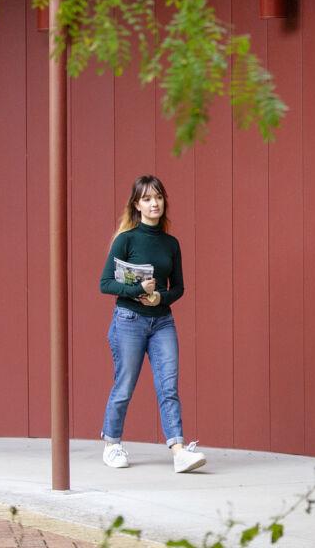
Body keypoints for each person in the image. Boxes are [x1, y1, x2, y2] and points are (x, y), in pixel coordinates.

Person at [99, 174, 206, 473]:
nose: (154, 203)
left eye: (157, 197)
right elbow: (105, 284)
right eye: (147, 198)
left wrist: (160, 298)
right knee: (125, 384)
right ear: (137, 204)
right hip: (128, 321)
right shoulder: (126, 239)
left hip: (162, 322)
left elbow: (179, 288)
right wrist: (137, 291)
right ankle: (112, 444)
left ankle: (178, 450)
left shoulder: (171, 244)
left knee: (168, 386)